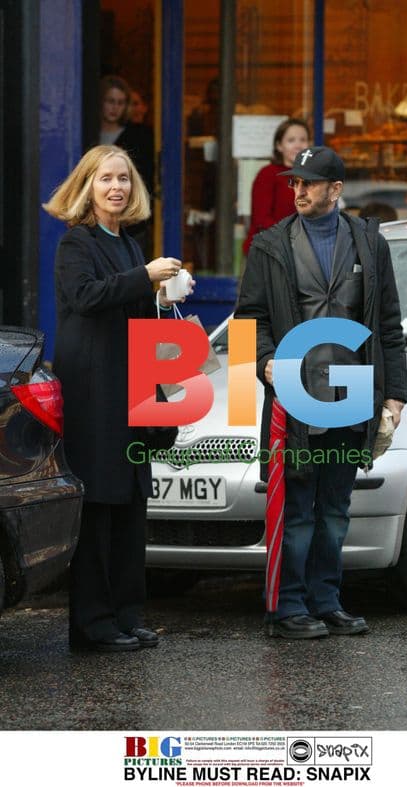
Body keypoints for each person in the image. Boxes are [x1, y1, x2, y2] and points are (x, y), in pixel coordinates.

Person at [235, 146, 407, 640]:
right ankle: (288, 606)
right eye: (294, 183)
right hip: (294, 393)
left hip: (352, 393)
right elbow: (248, 320)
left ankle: (326, 601)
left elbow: (389, 324)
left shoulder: (370, 244)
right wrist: (265, 361)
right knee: (297, 508)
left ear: (336, 190)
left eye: (309, 183)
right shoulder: (270, 246)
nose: (298, 190)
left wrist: (395, 394)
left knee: (335, 509)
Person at [42, 145, 187, 653]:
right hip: (93, 392)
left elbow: (137, 316)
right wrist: (143, 279)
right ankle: (93, 624)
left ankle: (127, 615)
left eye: (124, 178)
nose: (117, 187)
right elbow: (86, 297)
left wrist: (161, 301)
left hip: (133, 390)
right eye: (106, 179)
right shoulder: (76, 244)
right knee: (99, 505)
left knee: (131, 504)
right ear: (88, 186)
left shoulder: (130, 245)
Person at [99, 75, 154, 257]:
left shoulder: (139, 135)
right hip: (96, 220)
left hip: (130, 223)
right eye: (110, 101)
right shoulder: (87, 132)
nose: (115, 108)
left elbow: (145, 179)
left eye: (121, 103)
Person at [243, 118, 310, 255]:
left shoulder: (312, 176)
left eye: (303, 140)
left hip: (301, 253)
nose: (298, 145)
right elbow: (262, 219)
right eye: (291, 140)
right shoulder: (268, 174)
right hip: (267, 252)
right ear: (279, 146)